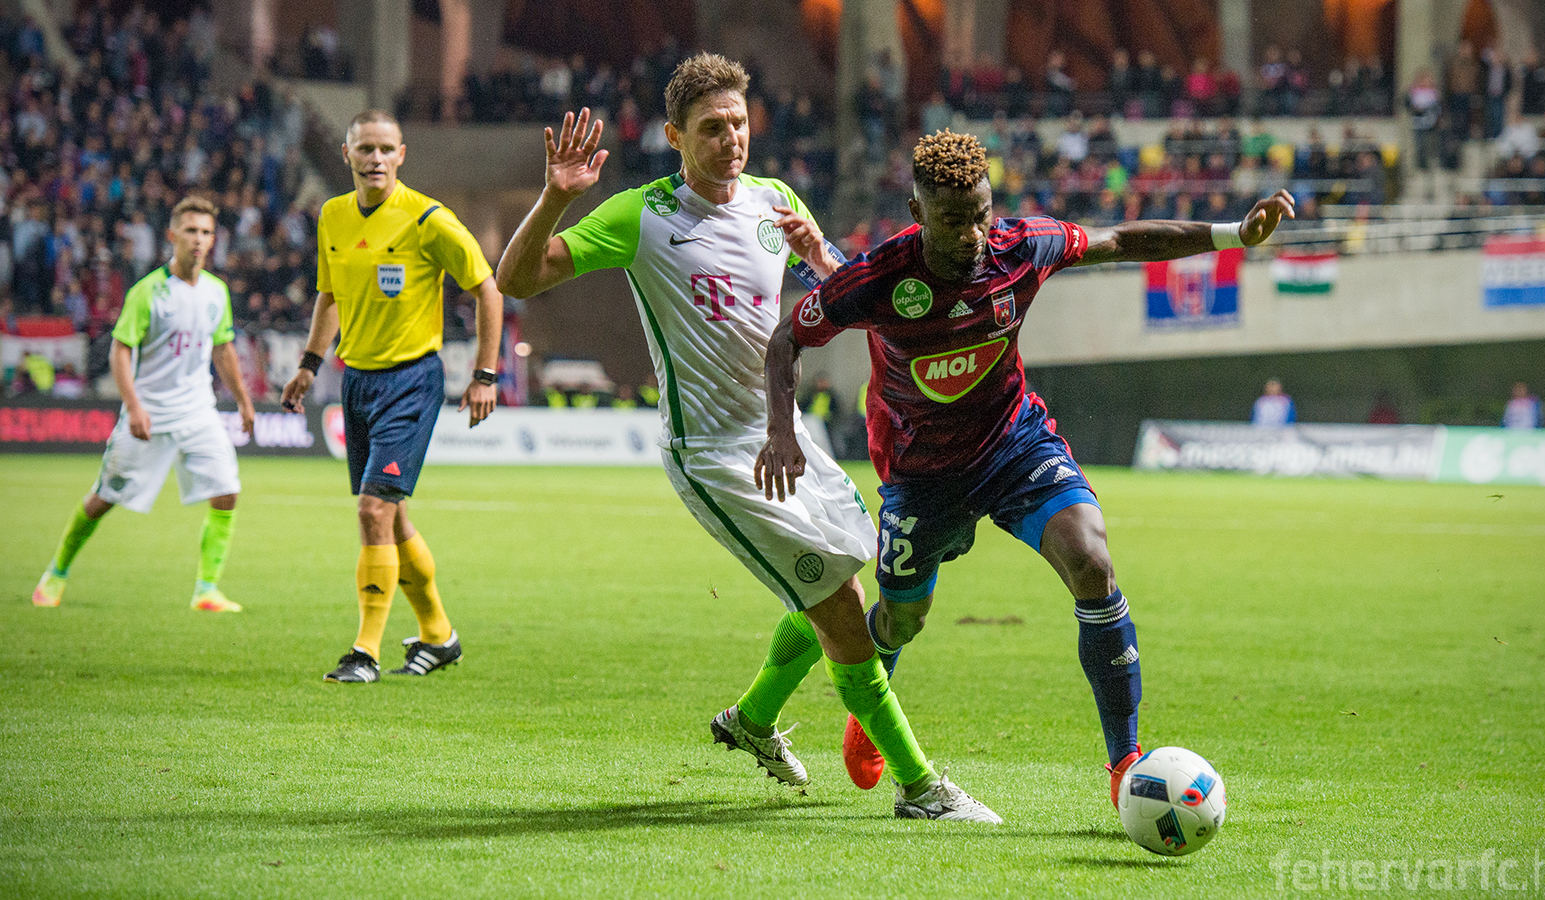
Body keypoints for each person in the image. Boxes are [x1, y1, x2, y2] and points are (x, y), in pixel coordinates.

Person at [496, 54, 998, 822]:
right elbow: (516, 280)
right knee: (838, 607)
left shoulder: (775, 200)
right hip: (714, 455)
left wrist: (821, 258)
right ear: (674, 136)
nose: (730, 138)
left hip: (783, 434)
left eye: (738, 122)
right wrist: (554, 199)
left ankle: (752, 720)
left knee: (849, 580)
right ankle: (920, 788)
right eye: (711, 128)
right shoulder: (641, 215)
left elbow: (847, 302)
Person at [756, 130, 1295, 807]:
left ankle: (1125, 762)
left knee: (1092, 563)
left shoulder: (1022, 247)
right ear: (918, 213)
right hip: (921, 476)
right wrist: (782, 430)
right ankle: (874, 696)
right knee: (899, 619)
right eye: (953, 219)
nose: (973, 233)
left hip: (1014, 445)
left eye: (981, 213)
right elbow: (787, 338)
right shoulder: (878, 279)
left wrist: (1232, 234)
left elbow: (1120, 241)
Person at [280, 110, 504, 684]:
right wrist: (308, 365)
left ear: (402, 154)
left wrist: (485, 374)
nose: (375, 158)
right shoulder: (333, 216)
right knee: (394, 515)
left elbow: (488, 289)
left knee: (372, 510)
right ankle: (439, 635)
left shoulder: (428, 219)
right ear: (347, 155)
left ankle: (365, 652)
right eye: (365, 148)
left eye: (385, 149)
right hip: (357, 380)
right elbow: (329, 296)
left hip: (410, 380)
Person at [33, 196, 256, 612]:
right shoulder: (148, 291)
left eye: (206, 232)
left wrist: (244, 401)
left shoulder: (217, 292)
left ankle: (206, 590)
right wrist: (134, 406)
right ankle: (55, 573)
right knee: (103, 498)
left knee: (227, 491)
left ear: (214, 240)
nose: (198, 239)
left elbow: (223, 349)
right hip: (150, 413)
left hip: (198, 412)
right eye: (190, 231)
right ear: (172, 235)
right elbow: (120, 350)